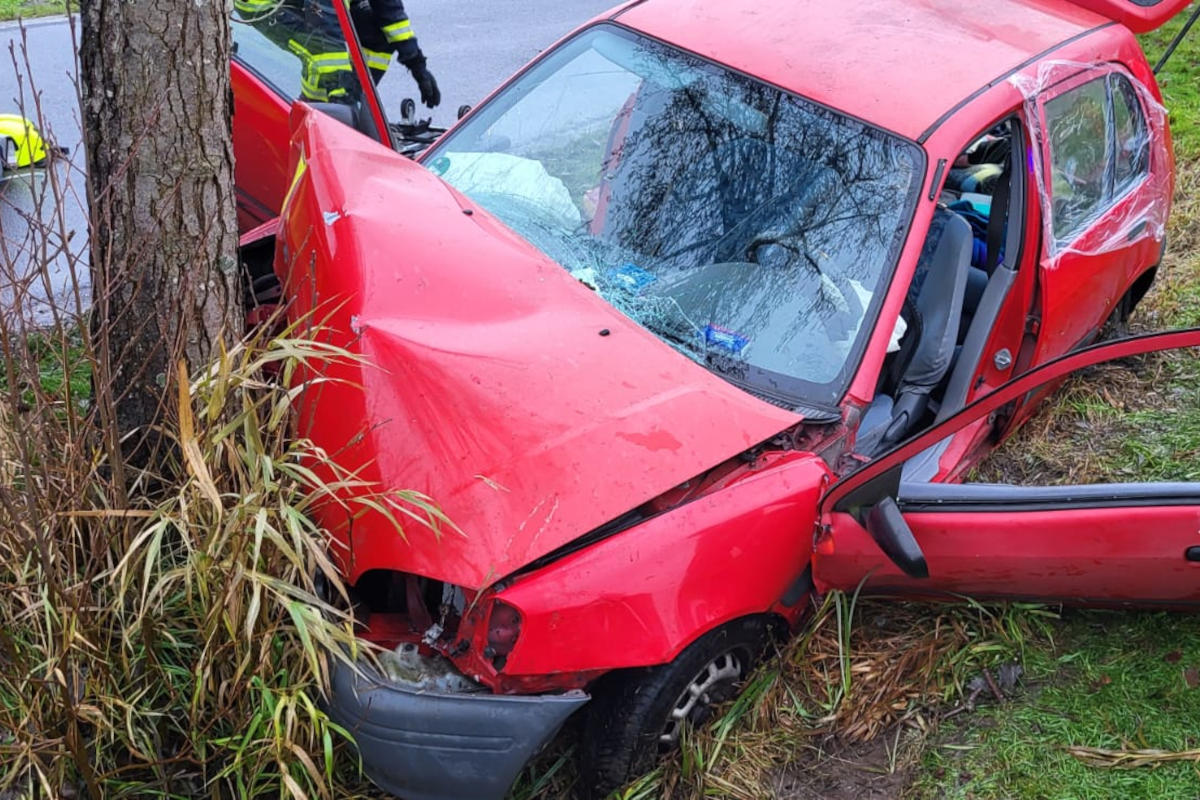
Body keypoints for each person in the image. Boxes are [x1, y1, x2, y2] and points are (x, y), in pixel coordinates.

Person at [234, 0, 439, 109]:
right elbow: (327, 32)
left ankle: (357, 102)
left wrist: (417, 66)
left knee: (379, 35)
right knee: (322, 52)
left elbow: (391, 15)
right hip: (262, 4)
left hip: (314, 4)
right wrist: (338, 96)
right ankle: (316, 114)